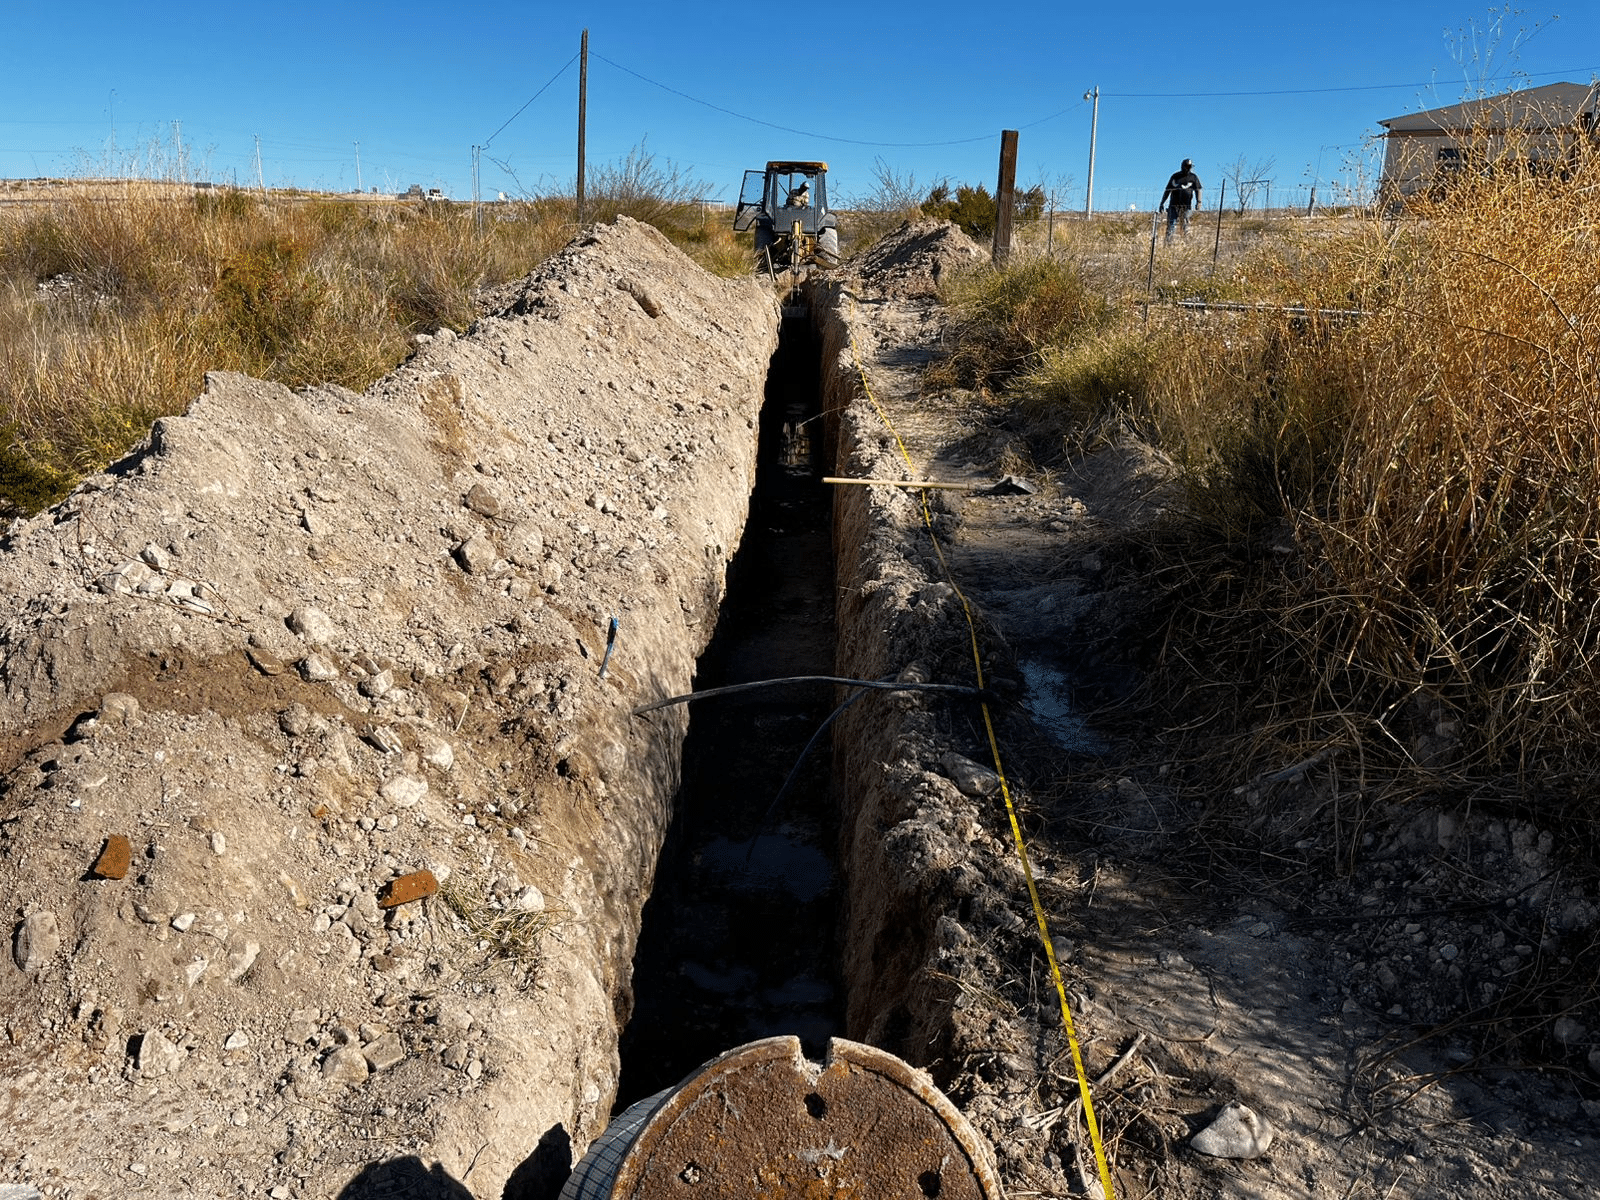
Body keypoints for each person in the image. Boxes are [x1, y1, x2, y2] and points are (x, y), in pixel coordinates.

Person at [1159, 158, 1202, 242]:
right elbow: (1167, 190)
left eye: (1189, 166)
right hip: (1173, 205)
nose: (1187, 168)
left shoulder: (1193, 177)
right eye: (1186, 166)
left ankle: (1186, 243)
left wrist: (1199, 202)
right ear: (1182, 166)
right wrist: (1162, 203)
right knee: (1171, 225)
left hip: (1186, 206)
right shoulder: (1175, 177)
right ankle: (1168, 243)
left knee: (1186, 226)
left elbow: (1198, 190)